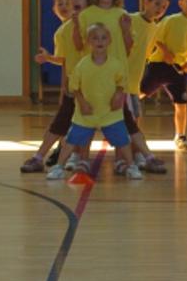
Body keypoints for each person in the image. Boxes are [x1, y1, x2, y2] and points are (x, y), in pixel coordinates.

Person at [75, 0, 166, 175]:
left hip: (115, 78)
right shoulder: (87, 14)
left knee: (122, 121)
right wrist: (74, 24)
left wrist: (125, 30)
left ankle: (124, 160)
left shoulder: (122, 15)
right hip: (91, 78)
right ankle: (82, 159)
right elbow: (79, 45)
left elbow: (127, 48)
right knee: (86, 121)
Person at [47, 23, 141, 181]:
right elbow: (74, 87)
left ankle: (131, 166)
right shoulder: (82, 65)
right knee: (71, 140)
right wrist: (82, 102)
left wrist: (118, 95)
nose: (100, 41)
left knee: (123, 140)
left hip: (110, 114)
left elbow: (122, 83)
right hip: (86, 114)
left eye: (103, 38)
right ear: (89, 42)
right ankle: (59, 167)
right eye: (95, 38)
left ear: (109, 41)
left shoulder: (116, 64)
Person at [21, 0, 80, 173]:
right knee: (65, 121)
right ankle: (59, 153)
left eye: (67, 2)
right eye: (59, 3)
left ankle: (58, 154)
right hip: (73, 84)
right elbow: (64, 60)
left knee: (69, 122)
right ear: (53, 8)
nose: (63, 6)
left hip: (85, 83)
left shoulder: (80, 26)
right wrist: (48, 58)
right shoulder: (61, 32)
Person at [143, 0, 187, 150]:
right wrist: (166, 52)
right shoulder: (171, 20)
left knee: (181, 102)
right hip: (159, 65)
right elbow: (157, 38)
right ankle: (123, 123)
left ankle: (181, 136)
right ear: (180, 3)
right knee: (139, 93)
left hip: (178, 69)